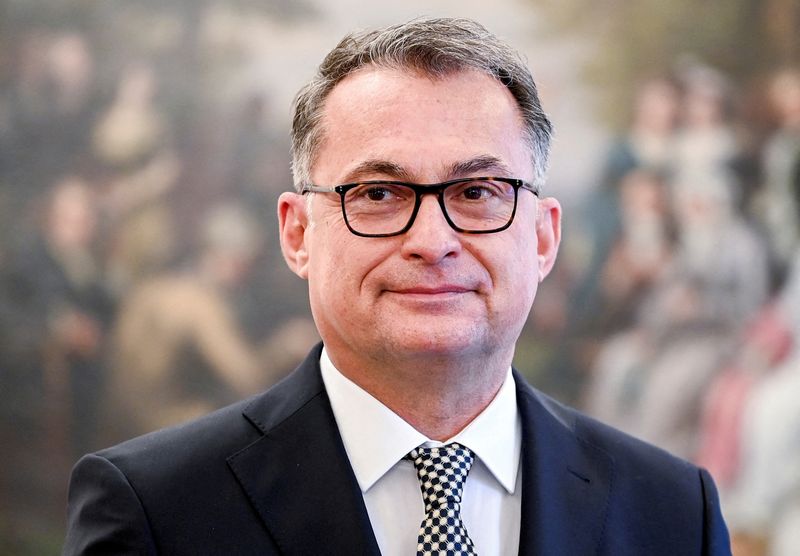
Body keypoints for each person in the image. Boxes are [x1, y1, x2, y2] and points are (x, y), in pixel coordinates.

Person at [63, 18, 730, 555]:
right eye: (379, 192)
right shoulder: (152, 509)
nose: (432, 241)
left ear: (543, 238)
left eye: (477, 191)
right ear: (298, 233)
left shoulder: (674, 513)